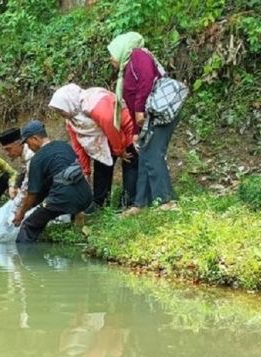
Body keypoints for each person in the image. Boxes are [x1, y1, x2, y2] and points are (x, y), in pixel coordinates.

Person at [108, 31, 179, 215]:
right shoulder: (126, 70)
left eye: (112, 53)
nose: (110, 59)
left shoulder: (138, 55)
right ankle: (140, 203)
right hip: (146, 118)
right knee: (145, 156)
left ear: (122, 49)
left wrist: (139, 109)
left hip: (156, 113)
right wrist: (135, 132)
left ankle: (166, 200)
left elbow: (146, 81)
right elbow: (130, 104)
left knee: (154, 153)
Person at [48, 83, 137, 208]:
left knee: (130, 164)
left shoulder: (94, 103)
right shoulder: (72, 121)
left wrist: (119, 149)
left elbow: (110, 124)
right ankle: (99, 203)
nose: (59, 113)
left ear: (69, 102)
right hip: (103, 140)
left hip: (123, 130)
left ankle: (129, 202)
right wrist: (85, 171)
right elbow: (79, 146)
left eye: (60, 110)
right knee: (101, 167)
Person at [12, 120, 94, 243]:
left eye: (28, 143)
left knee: (28, 226)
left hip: (63, 199)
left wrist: (21, 213)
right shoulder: (65, 146)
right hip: (87, 197)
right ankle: (77, 214)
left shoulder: (37, 160)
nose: (28, 147)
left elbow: (32, 194)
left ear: (35, 138)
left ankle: (24, 259)